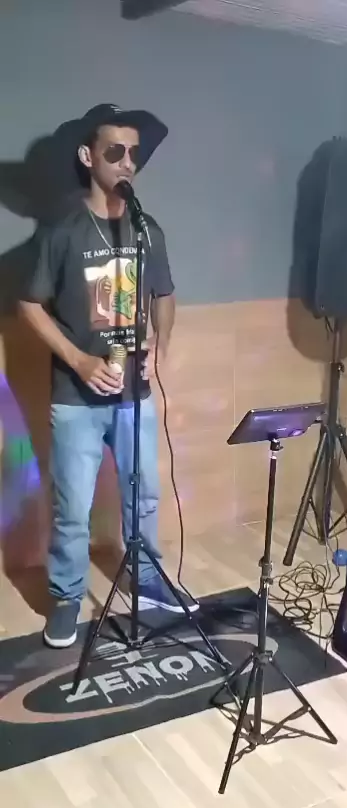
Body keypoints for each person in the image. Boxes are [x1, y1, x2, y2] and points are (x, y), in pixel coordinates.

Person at [19, 104, 198, 649]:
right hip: (76, 397)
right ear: (88, 156)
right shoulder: (64, 231)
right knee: (73, 509)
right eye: (115, 151)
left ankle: (148, 580)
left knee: (144, 496)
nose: (127, 163)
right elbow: (29, 305)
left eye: (133, 154)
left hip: (134, 395)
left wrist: (158, 341)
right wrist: (78, 360)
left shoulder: (146, 230)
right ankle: (67, 599)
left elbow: (164, 295)